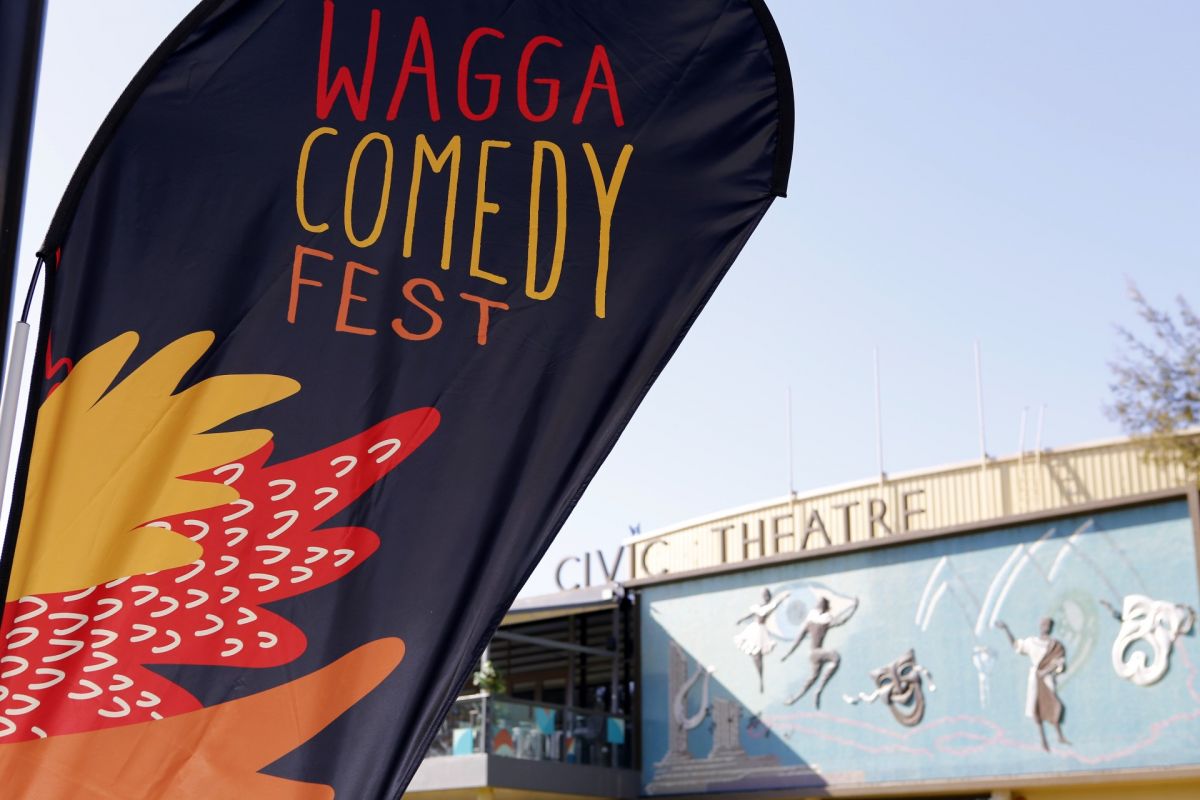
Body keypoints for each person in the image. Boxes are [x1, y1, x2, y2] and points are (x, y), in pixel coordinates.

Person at [995, 617, 1069, 751]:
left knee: (1054, 705)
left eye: (1048, 624)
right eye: (1044, 624)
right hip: (1035, 679)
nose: (1046, 626)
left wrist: (1046, 671)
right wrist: (1006, 629)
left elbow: (1060, 663)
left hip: (1046, 679)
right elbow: (1016, 645)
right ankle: (1043, 741)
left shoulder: (1055, 645)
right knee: (1036, 708)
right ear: (1040, 626)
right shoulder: (1032, 642)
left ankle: (1059, 735)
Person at [781, 595, 857, 709]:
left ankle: (795, 698)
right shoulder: (819, 621)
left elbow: (841, 621)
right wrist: (854, 608)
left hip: (813, 654)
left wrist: (787, 654)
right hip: (816, 652)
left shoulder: (822, 621)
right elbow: (798, 639)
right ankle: (819, 690)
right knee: (835, 657)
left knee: (813, 678)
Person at [734, 587, 789, 693]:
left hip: (761, 631)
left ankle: (761, 680)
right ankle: (759, 679)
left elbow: (776, 604)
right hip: (754, 629)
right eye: (764, 595)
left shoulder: (769, 607)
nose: (766, 597)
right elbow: (750, 614)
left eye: (767, 595)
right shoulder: (758, 607)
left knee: (758, 654)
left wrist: (783, 597)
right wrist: (741, 619)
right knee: (753, 652)